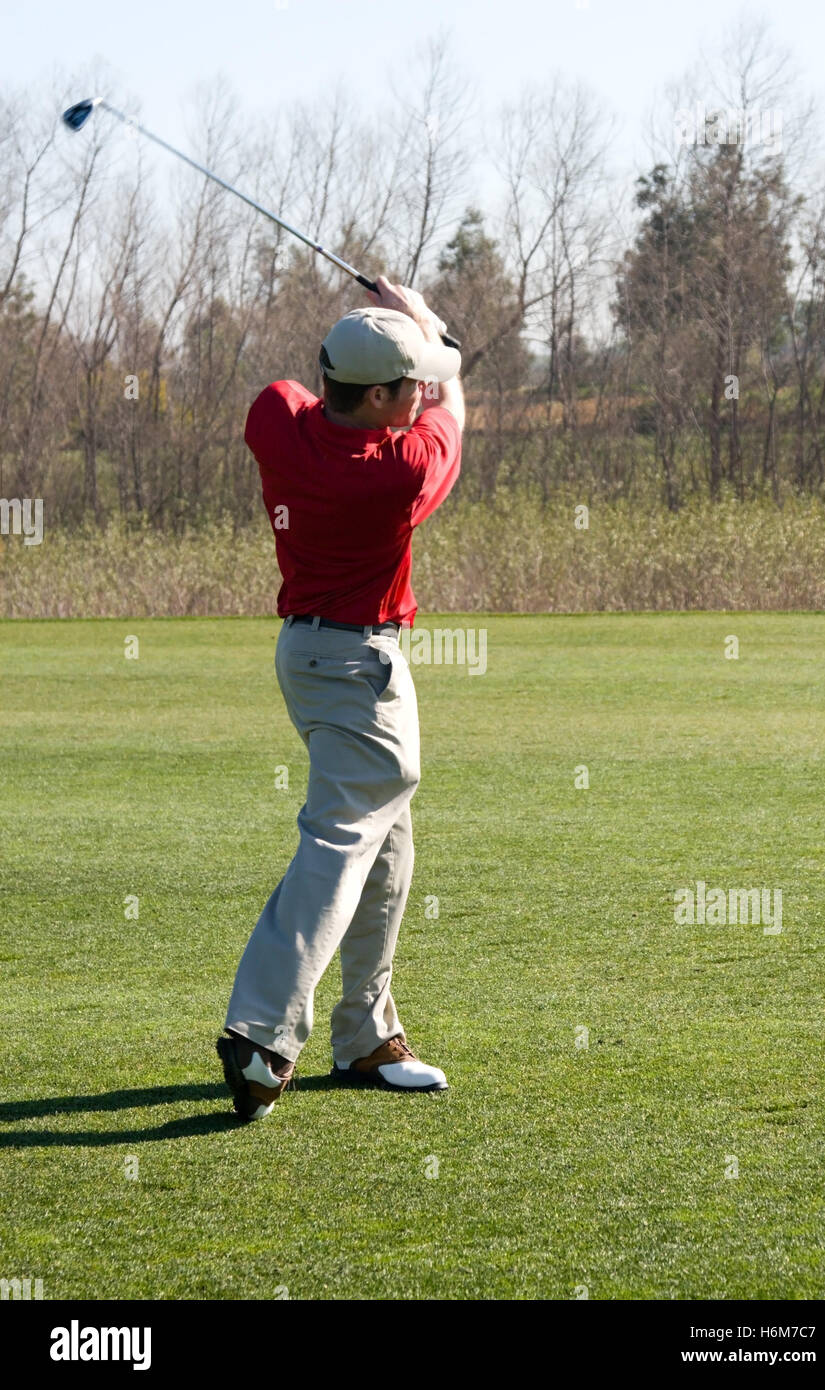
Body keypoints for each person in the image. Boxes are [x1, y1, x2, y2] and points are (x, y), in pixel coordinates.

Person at [216, 275, 465, 1120]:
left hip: (306, 654)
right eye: (406, 390)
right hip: (360, 666)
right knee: (340, 841)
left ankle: (364, 1035)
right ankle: (261, 1034)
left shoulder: (274, 417)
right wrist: (428, 325)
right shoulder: (398, 473)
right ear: (379, 400)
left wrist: (393, 334)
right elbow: (453, 400)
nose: (418, 397)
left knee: (387, 845)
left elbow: (312, 385)